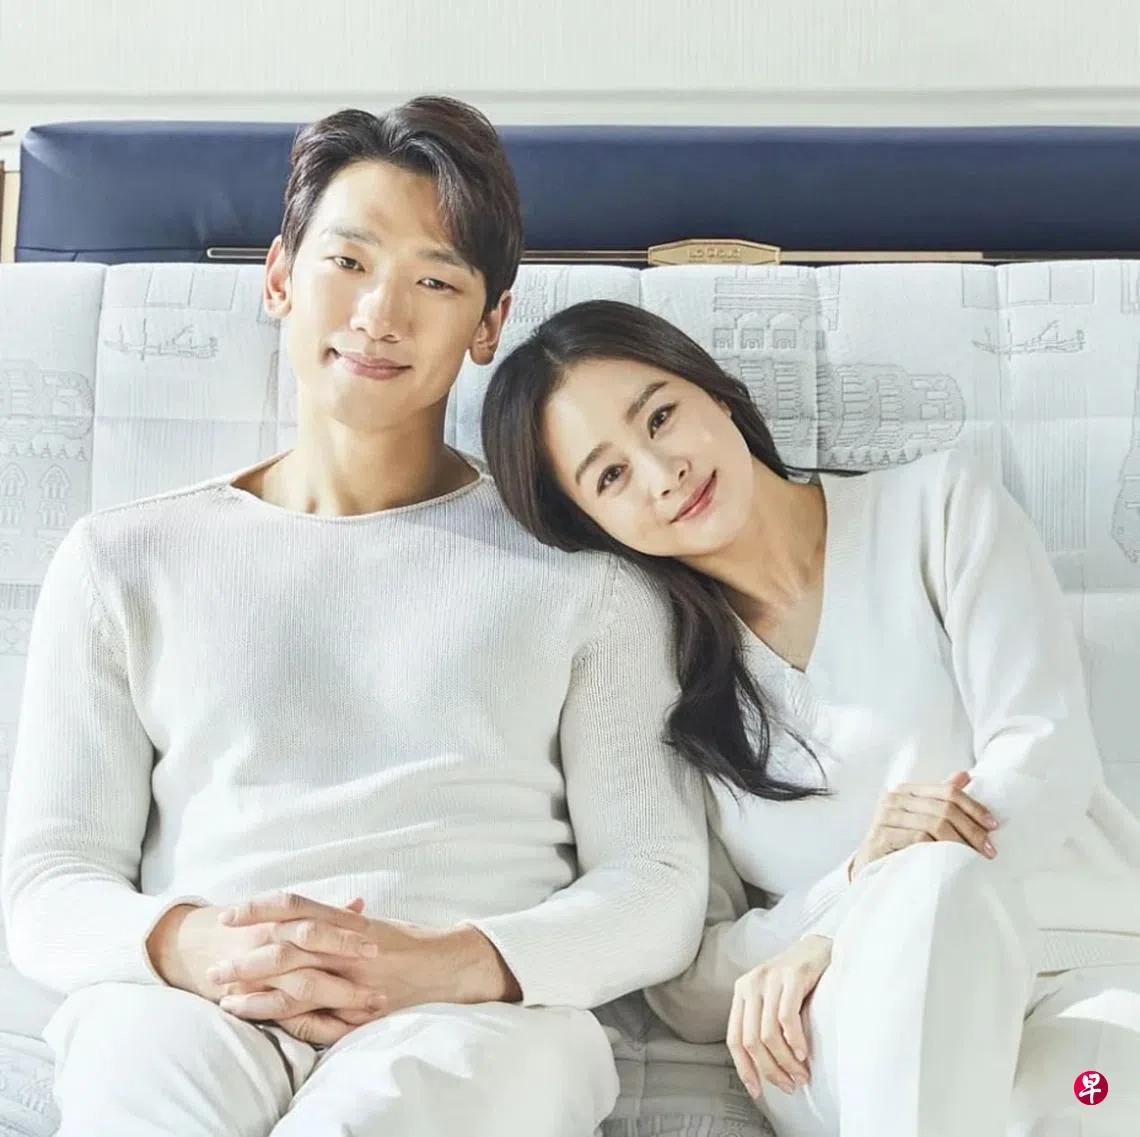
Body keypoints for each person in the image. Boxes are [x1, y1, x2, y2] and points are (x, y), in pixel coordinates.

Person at [0, 104, 710, 1137]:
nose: (381, 315)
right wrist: (196, 945)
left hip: (470, 1019)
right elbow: (48, 880)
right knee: (136, 1078)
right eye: (348, 262)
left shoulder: (586, 576)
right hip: (199, 1005)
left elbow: (658, 882)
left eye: (435, 282)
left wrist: (455, 961)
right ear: (279, 276)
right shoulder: (121, 560)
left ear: (489, 325)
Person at [480, 298, 1140, 1137]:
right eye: (609, 477)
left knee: (1075, 1103)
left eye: (661, 416)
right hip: (842, 1022)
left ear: (717, 393)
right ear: (592, 525)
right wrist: (859, 902)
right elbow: (688, 981)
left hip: (1076, 975)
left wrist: (851, 920)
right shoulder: (655, 677)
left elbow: (1044, 757)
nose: (661, 471)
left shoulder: (939, 509)